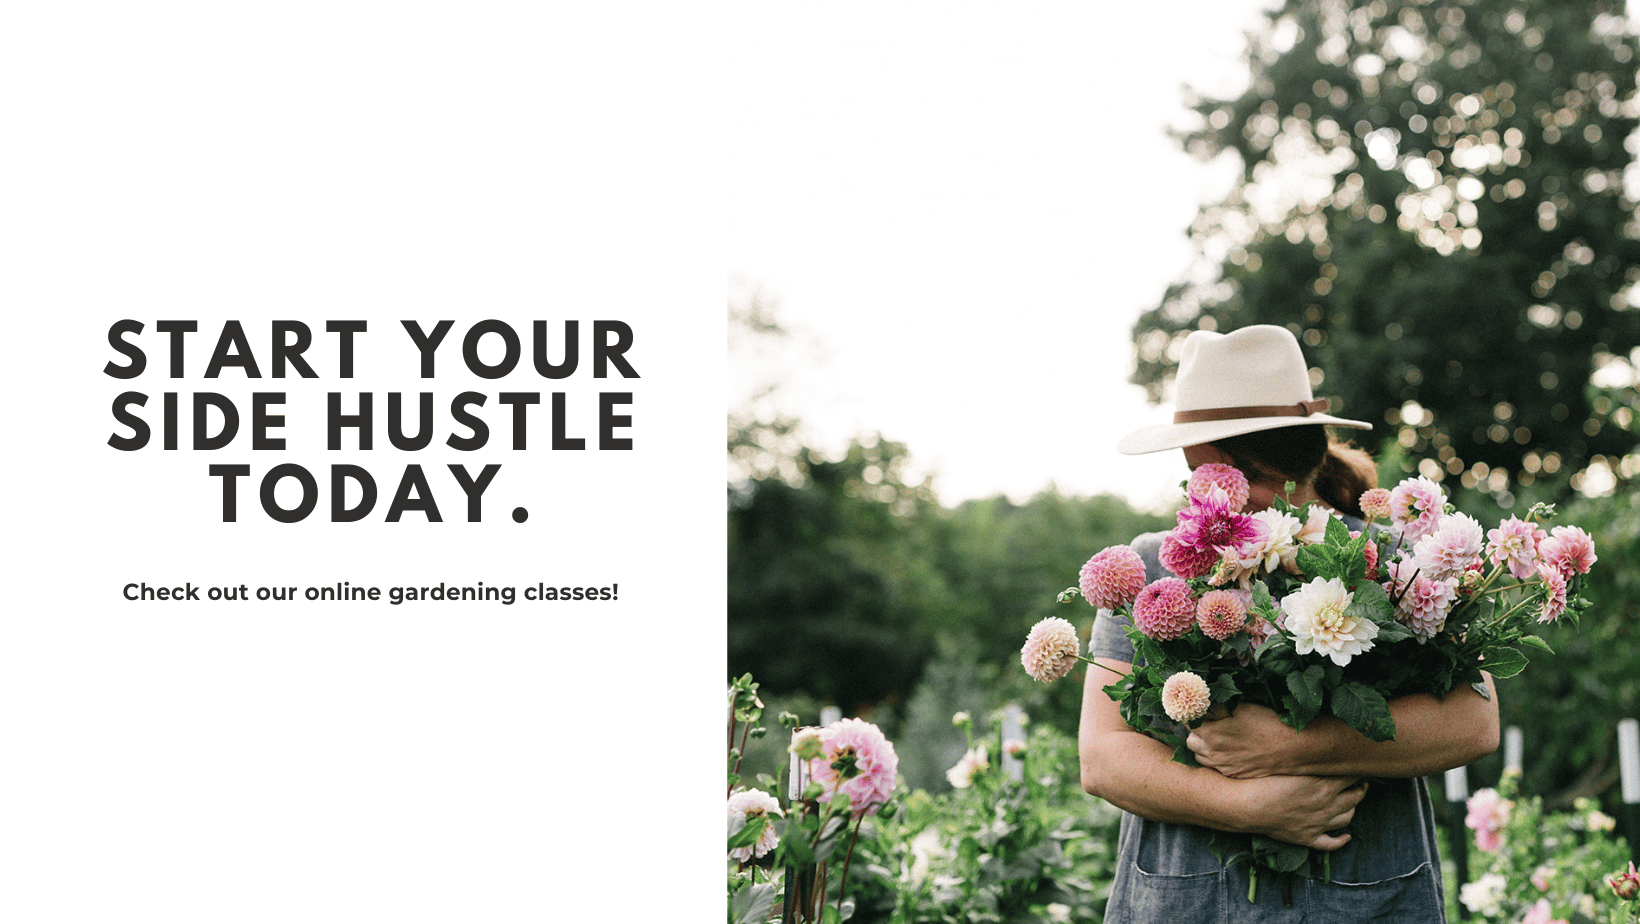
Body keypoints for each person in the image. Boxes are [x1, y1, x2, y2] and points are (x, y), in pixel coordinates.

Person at [1079, 324, 1499, 922]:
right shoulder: (1148, 568)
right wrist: (1247, 806)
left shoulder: (1394, 561)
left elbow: (1475, 721)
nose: (1214, 495)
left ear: (1290, 462)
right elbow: (1103, 758)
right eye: (1198, 470)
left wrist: (1287, 745)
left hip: (1364, 897)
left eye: (1238, 474)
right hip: (1189, 901)